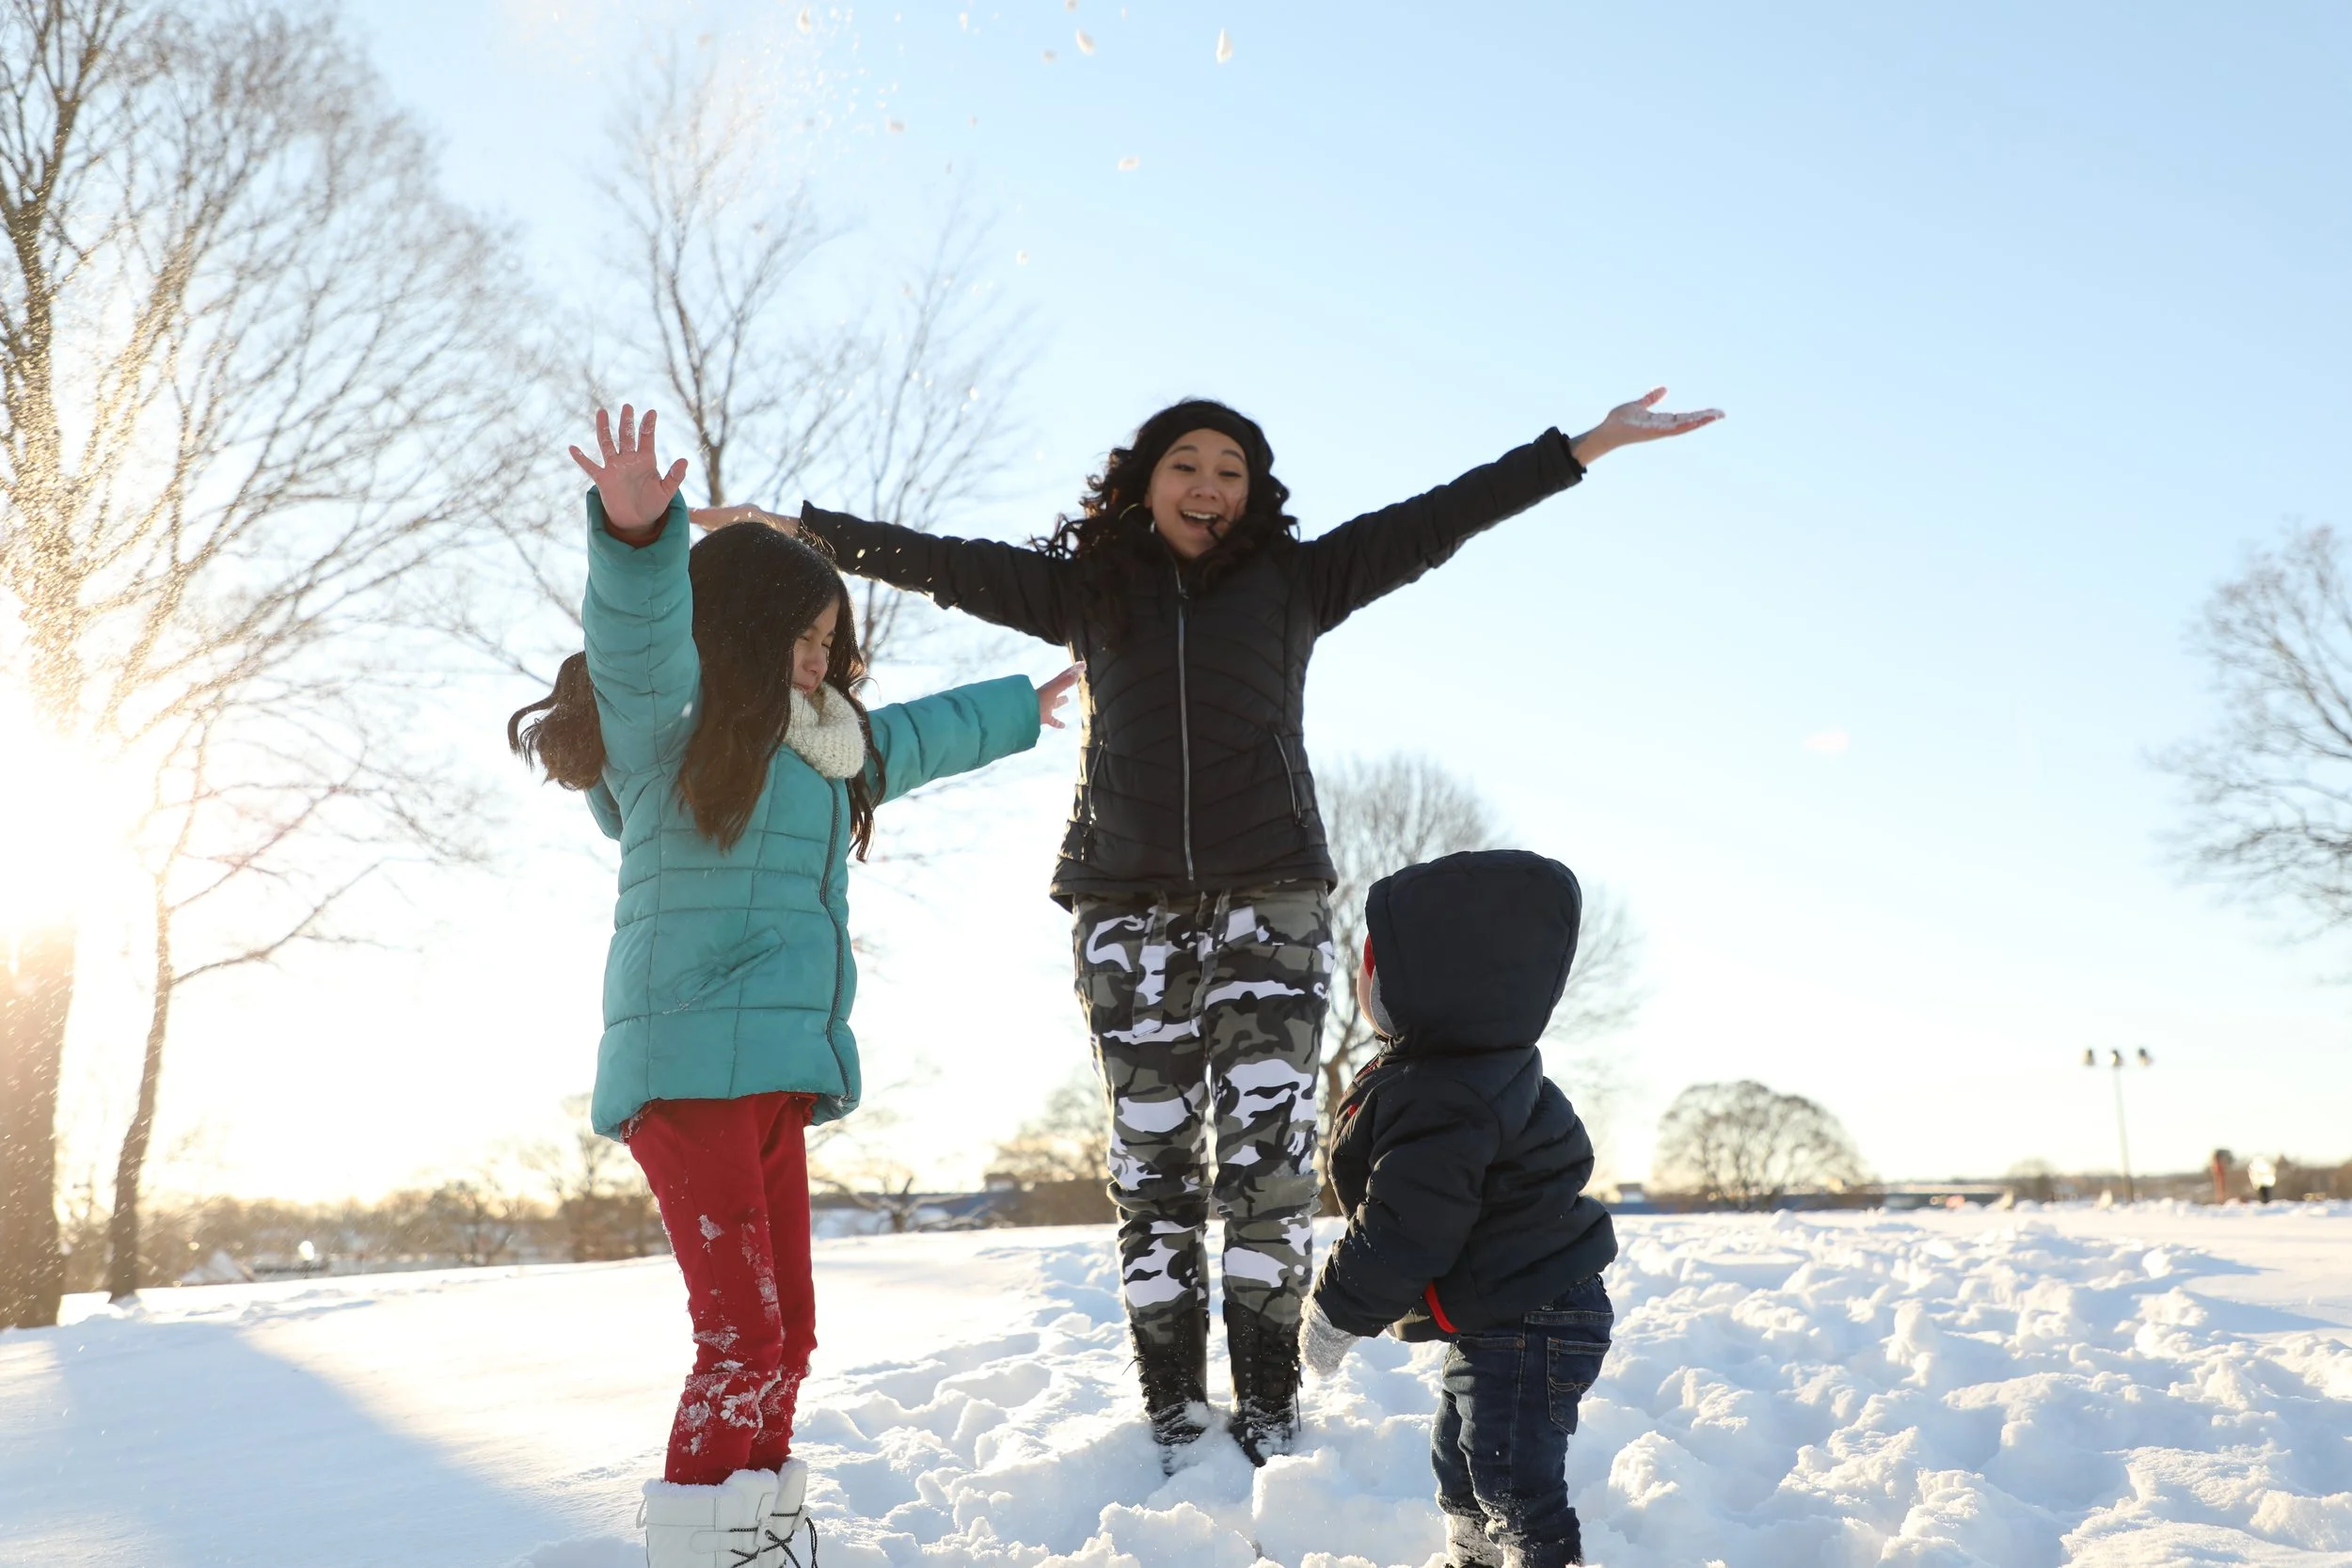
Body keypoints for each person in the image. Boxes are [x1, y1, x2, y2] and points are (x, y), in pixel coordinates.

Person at [695, 388, 1717, 1468]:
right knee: (1153, 1167)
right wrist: (793, 530)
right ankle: (1174, 1401)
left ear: (1252, 493)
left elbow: (1441, 515)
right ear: (1145, 481)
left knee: (1268, 1160)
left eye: (1230, 469)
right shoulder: (1089, 589)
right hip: (1122, 903)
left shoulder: (1298, 580)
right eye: (1187, 463)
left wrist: (1582, 446)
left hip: (1266, 900)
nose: (1208, 485)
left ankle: (1270, 1398)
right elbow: (935, 558)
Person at [508, 406, 1077, 1567]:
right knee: (740, 1333)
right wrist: (636, 539)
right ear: (741, 628)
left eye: (831, 639)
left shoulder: (826, 746)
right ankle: (702, 1549)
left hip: (773, 1070)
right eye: (801, 637)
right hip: (686, 1062)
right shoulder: (667, 732)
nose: (820, 658)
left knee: (789, 1331)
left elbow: (912, 738)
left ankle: (757, 1533)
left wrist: (1024, 704)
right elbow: (639, 638)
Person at [1299, 849, 1615, 1568]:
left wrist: (1337, 1310)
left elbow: (1407, 1225)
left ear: (1420, 984)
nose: (1362, 984)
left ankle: (1535, 1556)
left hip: (1531, 1314)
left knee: (1507, 1471)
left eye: (1372, 969)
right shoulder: (1467, 1074)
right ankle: (1471, 1556)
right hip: (1514, 1310)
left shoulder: (1446, 1093)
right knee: (1462, 1454)